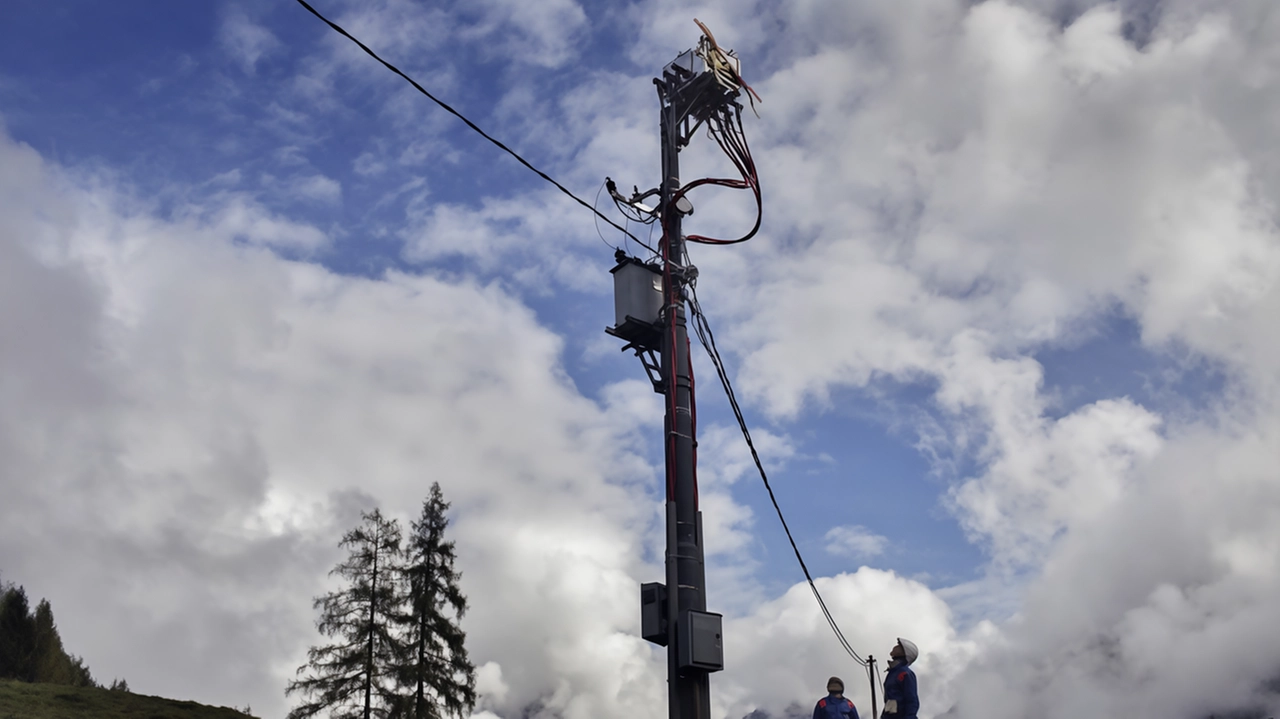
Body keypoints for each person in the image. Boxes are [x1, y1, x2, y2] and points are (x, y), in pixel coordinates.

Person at [881, 638, 919, 719]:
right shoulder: (892, 673)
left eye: (899, 646)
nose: (896, 647)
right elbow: (888, 701)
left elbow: (912, 700)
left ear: (905, 652)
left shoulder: (904, 673)